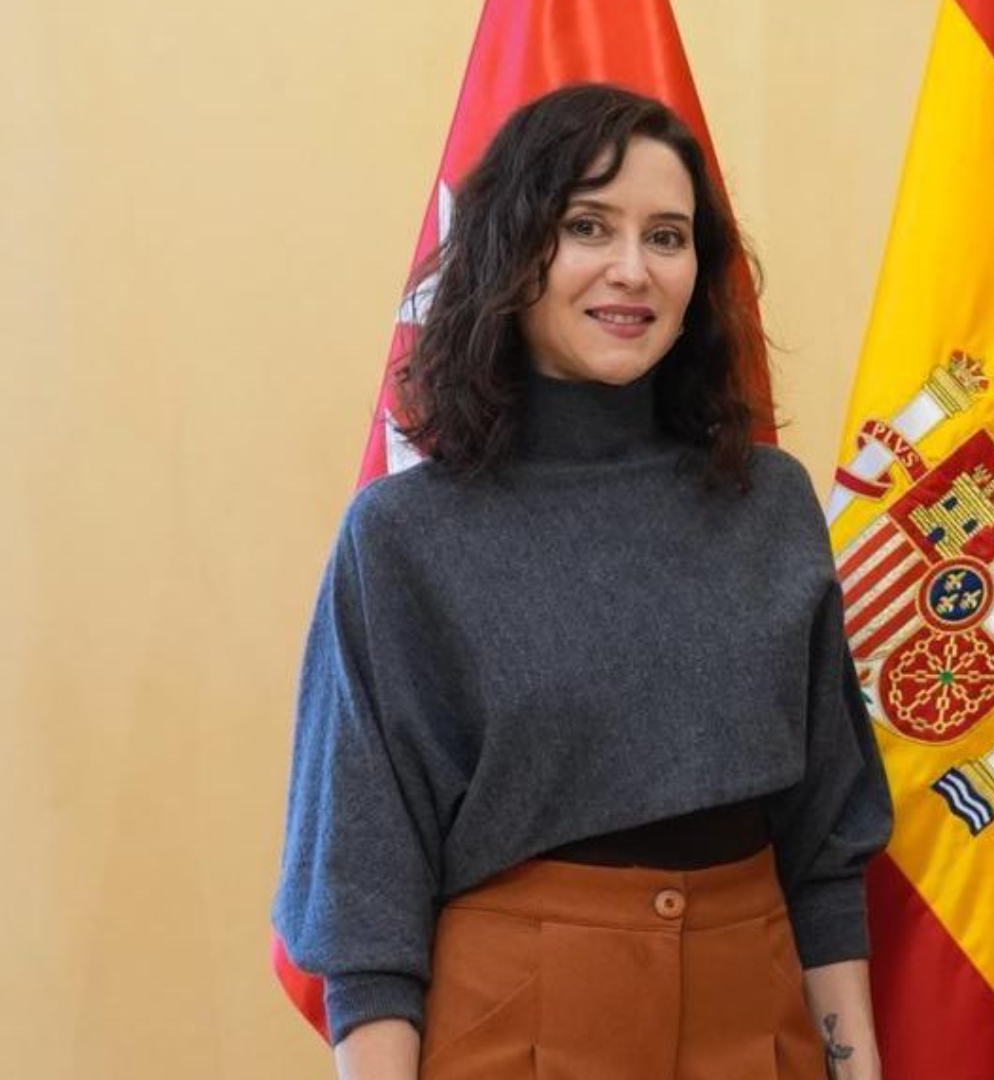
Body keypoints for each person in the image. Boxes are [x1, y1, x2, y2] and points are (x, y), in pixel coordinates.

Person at [272, 84, 891, 1080]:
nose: (632, 269)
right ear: (512, 253)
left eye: (667, 236)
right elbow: (365, 903)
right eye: (588, 227)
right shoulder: (403, 538)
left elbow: (823, 854)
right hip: (511, 1031)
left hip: (758, 1022)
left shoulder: (771, 504)